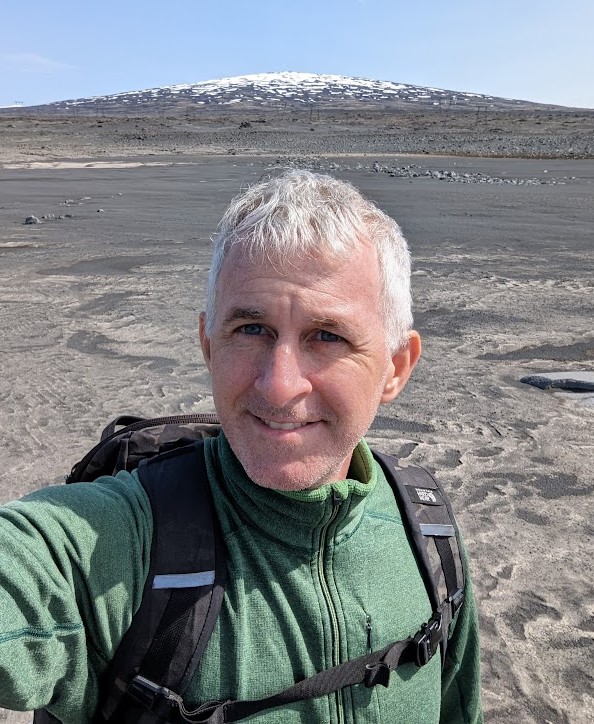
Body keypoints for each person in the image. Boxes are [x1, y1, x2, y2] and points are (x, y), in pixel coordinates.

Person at [0, 170, 482, 723]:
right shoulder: (117, 541)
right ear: (208, 344)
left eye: (327, 336)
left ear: (395, 368)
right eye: (250, 329)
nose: (279, 386)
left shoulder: (430, 535)